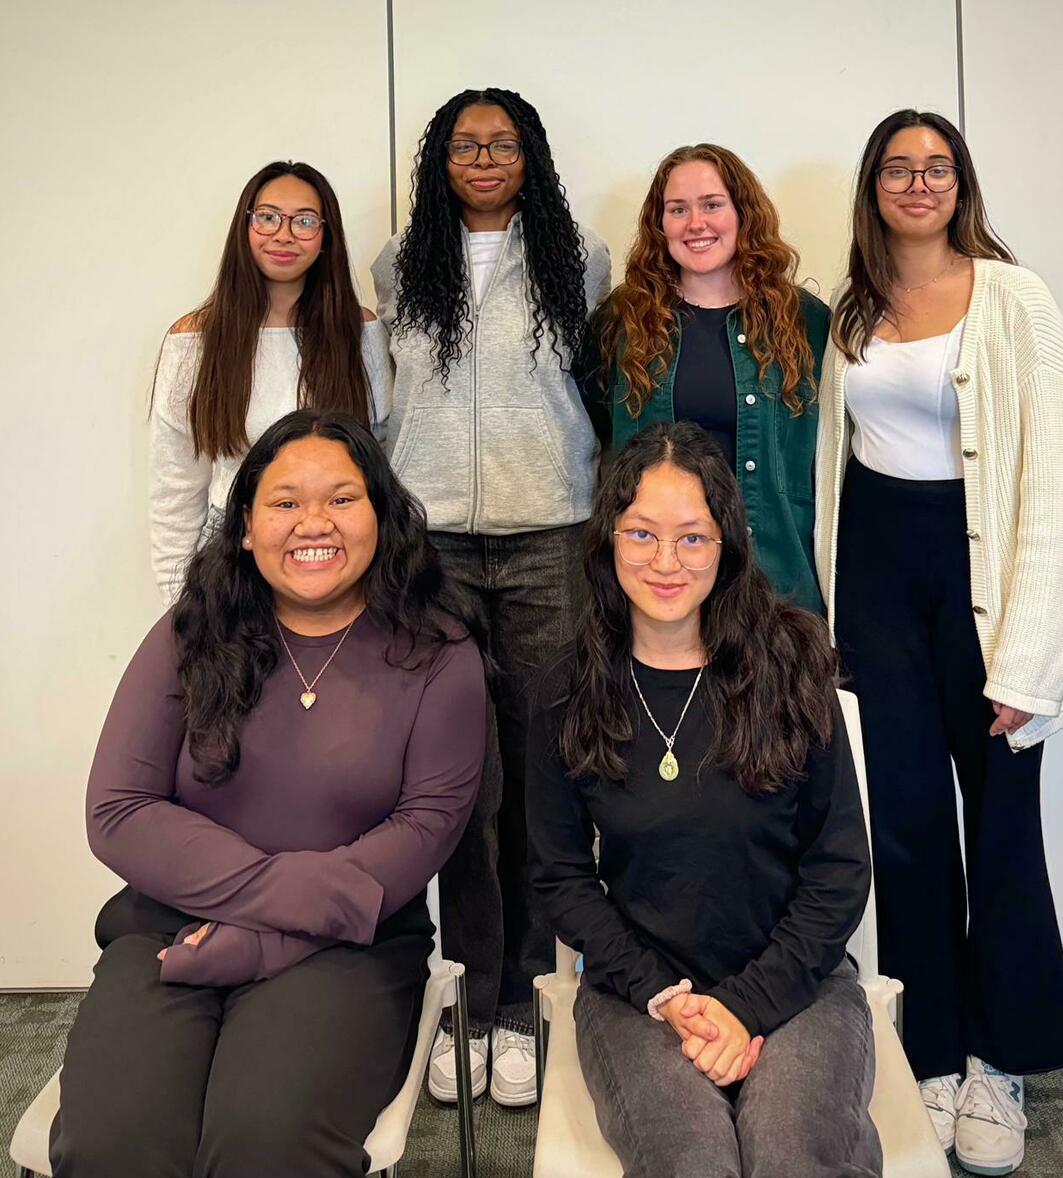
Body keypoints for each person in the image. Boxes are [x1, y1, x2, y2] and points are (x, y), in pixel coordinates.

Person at [51, 410, 485, 1178]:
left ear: (383, 517)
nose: (312, 522)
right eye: (284, 502)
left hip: (350, 948)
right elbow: (120, 810)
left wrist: (259, 941)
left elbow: (427, 829)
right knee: (115, 1141)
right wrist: (275, 895)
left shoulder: (439, 654)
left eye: (342, 499)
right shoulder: (191, 633)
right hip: (169, 936)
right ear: (245, 526)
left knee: (264, 1142)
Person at [816, 108, 1063, 1176]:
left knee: (1001, 823)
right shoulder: (850, 311)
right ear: (874, 187)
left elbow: (1058, 489)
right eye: (898, 167)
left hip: (981, 577)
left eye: (937, 167)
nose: (918, 183)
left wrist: (1028, 654)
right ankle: (930, 1051)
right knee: (906, 829)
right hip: (880, 582)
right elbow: (830, 472)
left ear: (962, 182)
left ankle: (1002, 1057)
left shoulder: (1014, 297)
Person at [528, 421, 881, 1178]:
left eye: (692, 538)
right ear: (606, 540)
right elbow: (559, 877)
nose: (665, 562)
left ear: (726, 544)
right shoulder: (567, 690)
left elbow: (840, 867)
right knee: (694, 1162)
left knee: (790, 1157)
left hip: (800, 983)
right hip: (637, 995)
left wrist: (747, 1005)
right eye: (642, 535)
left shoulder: (791, 665)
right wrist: (662, 994)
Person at [371, 86, 611, 1106]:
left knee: (542, 778)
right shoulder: (397, 264)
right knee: (460, 787)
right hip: (433, 548)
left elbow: (595, 391)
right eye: (465, 143)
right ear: (440, 157)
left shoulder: (580, 259)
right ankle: (468, 993)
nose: (482, 157)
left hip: (550, 540)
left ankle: (524, 1001)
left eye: (501, 143)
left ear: (529, 155)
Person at [578, 143, 828, 613]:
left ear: (742, 213)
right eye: (678, 209)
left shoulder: (805, 321)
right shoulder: (622, 320)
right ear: (660, 223)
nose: (697, 224)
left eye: (712, 205)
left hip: (774, 573)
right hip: (659, 574)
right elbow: (597, 423)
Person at [150, 161, 387, 604]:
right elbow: (175, 487)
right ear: (245, 227)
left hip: (332, 557)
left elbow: (380, 460)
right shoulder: (193, 341)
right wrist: (176, 605)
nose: (284, 234)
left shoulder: (360, 333)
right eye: (268, 217)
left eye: (304, 221)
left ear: (325, 237)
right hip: (229, 559)